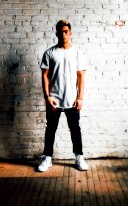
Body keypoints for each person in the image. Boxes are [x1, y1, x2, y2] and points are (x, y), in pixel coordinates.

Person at [37, 19, 89, 172]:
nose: (63, 34)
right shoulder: (49, 53)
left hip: (72, 99)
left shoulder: (78, 53)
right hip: (54, 99)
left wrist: (80, 98)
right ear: (57, 33)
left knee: (75, 129)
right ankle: (47, 158)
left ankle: (79, 156)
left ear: (70, 33)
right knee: (50, 129)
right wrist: (47, 97)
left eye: (66, 31)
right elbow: (45, 75)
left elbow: (81, 76)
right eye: (61, 31)